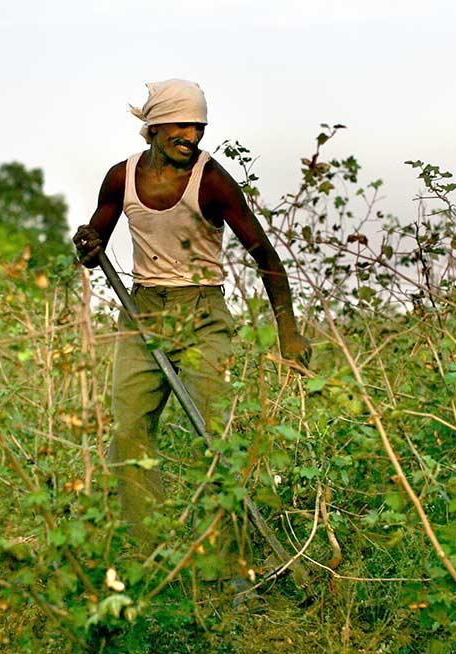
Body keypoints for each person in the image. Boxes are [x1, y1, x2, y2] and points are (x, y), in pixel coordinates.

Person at [74, 79, 310, 543]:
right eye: (180, 125)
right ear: (155, 128)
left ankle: (226, 562)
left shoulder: (214, 181)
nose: (191, 135)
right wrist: (86, 242)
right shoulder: (121, 178)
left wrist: (289, 333)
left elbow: (265, 256)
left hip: (202, 311)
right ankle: (152, 551)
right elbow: (93, 238)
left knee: (214, 435)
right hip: (141, 311)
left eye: (198, 126)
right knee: (130, 431)